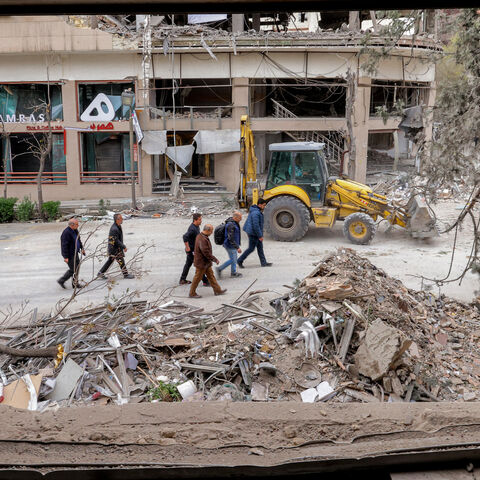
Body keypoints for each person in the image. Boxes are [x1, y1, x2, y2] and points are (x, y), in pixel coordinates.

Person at [189, 224, 227, 299]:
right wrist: (215, 259)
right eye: (211, 231)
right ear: (208, 230)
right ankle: (192, 293)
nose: (212, 233)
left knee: (211, 276)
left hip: (205, 263)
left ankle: (217, 290)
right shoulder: (202, 239)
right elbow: (206, 252)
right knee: (197, 278)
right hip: (201, 263)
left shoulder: (200, 236)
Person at [97, 213, 134, 280]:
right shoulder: (114, 229)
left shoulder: (118, 226)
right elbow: (116, 240)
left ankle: (100, 273)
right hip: (114, 249)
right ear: (117, 220)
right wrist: (123, 246)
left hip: (115, 248)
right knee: (120, 260)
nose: (122, 219)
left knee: (111, 261)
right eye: (121, 218)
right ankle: (125, 274)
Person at [237, 198, 272, 269]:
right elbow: (256, 225)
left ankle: (263, 263)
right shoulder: (256, 213)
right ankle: (240, 260)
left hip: (254, 232)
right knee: (251, 248)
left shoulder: (257, 211)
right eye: (263, 205)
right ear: (259, 204)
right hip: (253, 233)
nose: (264, 207)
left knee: (260, 248)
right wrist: (260, 236)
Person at [179, 213, 209, 286]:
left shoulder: (196, 226)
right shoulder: (192, 229)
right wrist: (188, 248)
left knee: (188, 264)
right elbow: (185, 237)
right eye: (199, 220)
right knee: (199, 266)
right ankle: (205, 281)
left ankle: (182, 279)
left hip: (193, 250)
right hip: (192, 251)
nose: (201, 221)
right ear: (195, 220)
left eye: (201, 219)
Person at [58, 218, 85, 289]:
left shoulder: (75, 230)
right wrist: (66, 257)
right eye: (77, 224)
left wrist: (82, 248)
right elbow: (64, 246)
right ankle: (61, 280)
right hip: (70, 255)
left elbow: (78, 240)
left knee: (77, 267)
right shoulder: (66, 233)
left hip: (75, 252)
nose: (78, 225)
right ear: (72, 225)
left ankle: (75, 283)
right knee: (73, 269)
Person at [216, 211, 242, 278]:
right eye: (240, 218)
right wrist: (237, 247)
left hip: (230, 244)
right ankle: (220, 269)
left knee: (233, 259)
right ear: (235, 217)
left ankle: (233, 272)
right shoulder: (231, 225)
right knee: (233, 260)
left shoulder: (234, 223)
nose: (241, 219)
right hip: (230, 245)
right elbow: (230, 238)